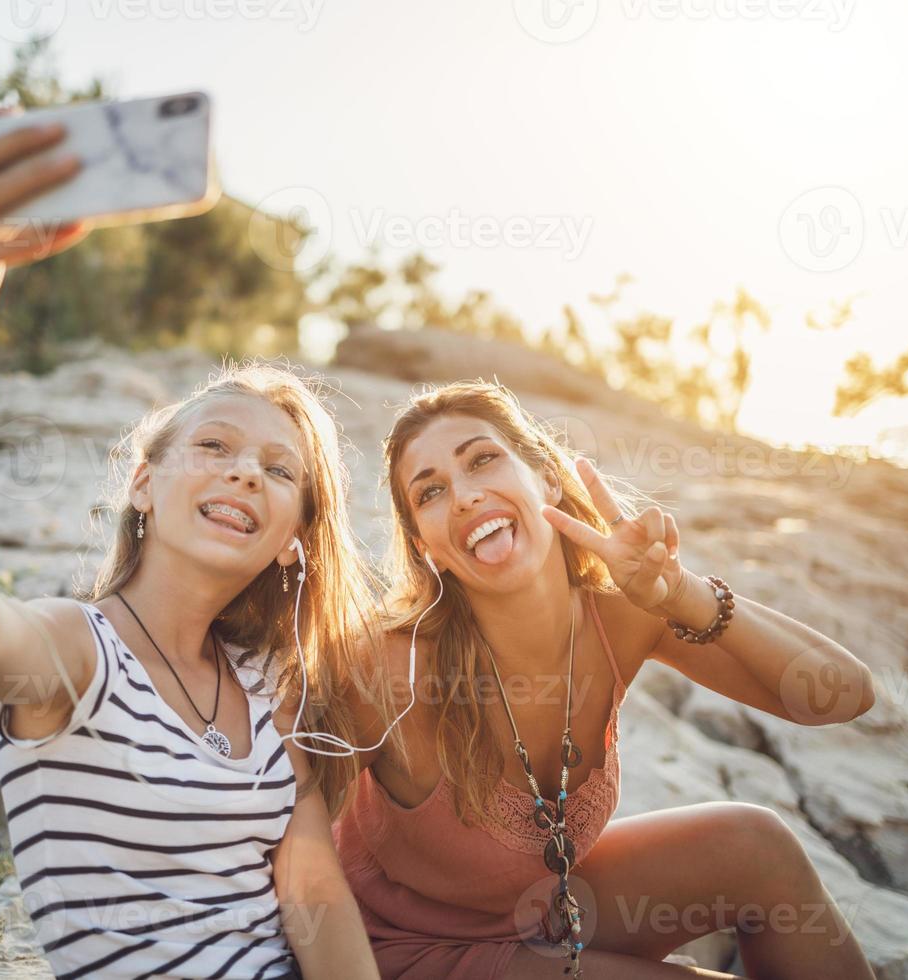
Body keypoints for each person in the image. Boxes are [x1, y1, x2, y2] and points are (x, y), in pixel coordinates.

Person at [0, 100, 381, 980]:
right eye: (214, 447)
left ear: (292, 542)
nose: (243, 474)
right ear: (145, 485)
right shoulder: (80, 654)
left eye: (279, 471)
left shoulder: (269, 684)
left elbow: (313, 893)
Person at [329, 380, 879, 979]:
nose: (463, 496)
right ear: (425, 546)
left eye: (482, 459)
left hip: (543, 911)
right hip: (399, 951)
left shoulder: (621, 614)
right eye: (430, 490)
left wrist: (684, 596)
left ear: (545, 476)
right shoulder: (392, 667)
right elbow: (269, 817)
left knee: (757, 845)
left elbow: (841, 694)